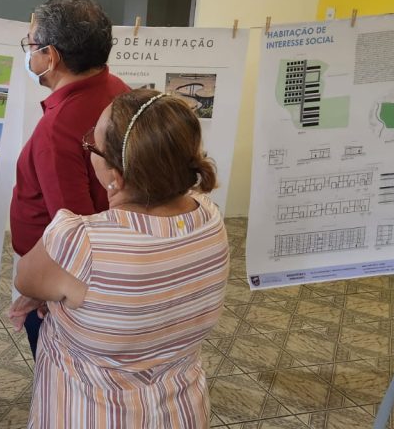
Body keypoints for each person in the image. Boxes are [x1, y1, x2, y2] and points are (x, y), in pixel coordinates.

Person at [12, 89, 230, 428]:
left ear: (115, 176)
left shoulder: (80, 241)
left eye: (92, 145)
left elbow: (26, 280)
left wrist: (53, 295)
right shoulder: (210, 218)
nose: (89, 150)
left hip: (89, 413)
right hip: (182, 409)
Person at [9, 0, 130, 356]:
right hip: (111, 264)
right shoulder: (119, 91)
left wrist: (40, 292)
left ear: (52, 57)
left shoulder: (58, 128)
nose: (28, 52)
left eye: (31, 44)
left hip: (63, 285)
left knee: (60, 370)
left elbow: (72, 232)